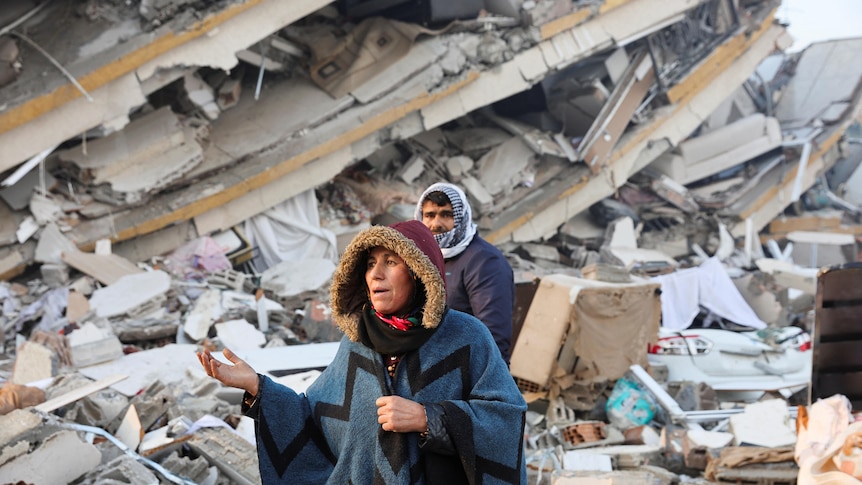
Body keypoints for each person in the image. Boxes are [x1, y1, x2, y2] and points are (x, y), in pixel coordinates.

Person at [198, 220, 527, 484]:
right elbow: (316, 417)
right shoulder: (358, 341)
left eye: (390, 262)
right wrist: (257, 386)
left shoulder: (465, 337)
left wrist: (430, 418)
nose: (376, 274)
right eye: (370, 263)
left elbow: (507, 419)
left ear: (418, 271)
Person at [415, 182, 516, 363]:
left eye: (446, 215)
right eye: (429, 215)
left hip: (468, 372)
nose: (436, 224)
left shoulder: (484, 262)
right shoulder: (423, 257)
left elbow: (493, 338)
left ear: (462, 217)